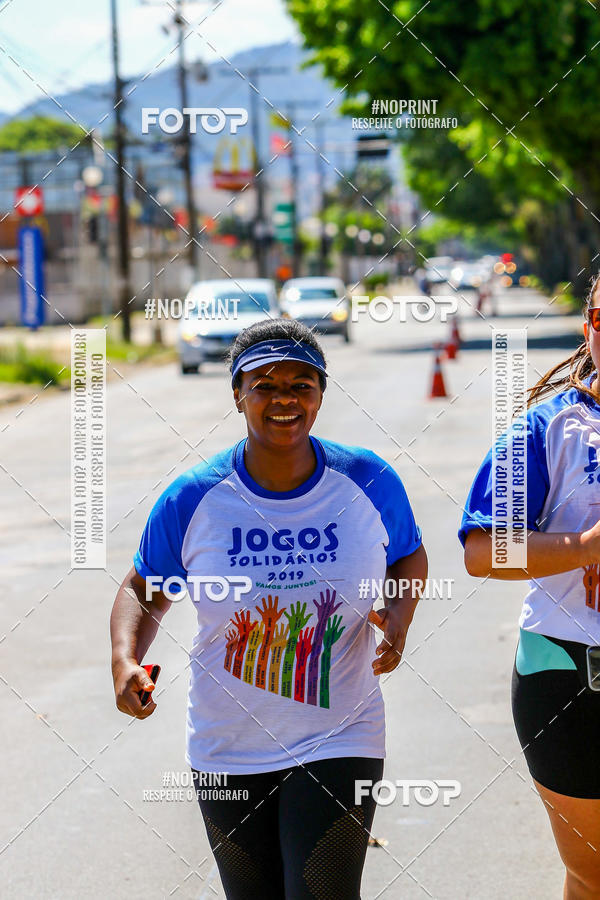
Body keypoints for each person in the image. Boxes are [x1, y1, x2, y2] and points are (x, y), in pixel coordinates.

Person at [110, 317, 427, 899]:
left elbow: (407, 557)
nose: (285, 399)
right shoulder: (194, 497)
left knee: (322, 893)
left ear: (321, 395)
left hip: (341, 733)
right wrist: (126, 659)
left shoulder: (368, 479)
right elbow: (143, 587)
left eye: (302, 385)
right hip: (228, 743)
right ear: (238, 394)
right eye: (265, 385)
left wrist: (400, 616)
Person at [459, 276, 600, 899]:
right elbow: (482, 549)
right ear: (588, 324)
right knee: (593, 872)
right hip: (568, 673)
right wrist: (581, 547)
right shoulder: (549, 428)